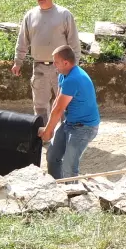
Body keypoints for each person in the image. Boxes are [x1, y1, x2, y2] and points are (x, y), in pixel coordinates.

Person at [11, 0, 80, 126]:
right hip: (39, 67)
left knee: (65, 104)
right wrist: (18, 61)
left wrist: (75, 65)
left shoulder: (64, 14)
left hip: (62, 68)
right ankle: (41, 135)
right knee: (39, 105)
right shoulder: (30, 15)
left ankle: (67, 134)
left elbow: (73, 41)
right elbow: (22, 40)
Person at [39, 45, 100, 180]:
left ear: (66, 63)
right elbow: (57, 103)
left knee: (69, 166)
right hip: (70, 123)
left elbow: (59, 110)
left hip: (85, 128)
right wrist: (48, 129)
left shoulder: (73, 79)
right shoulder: (63, 75)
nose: (54, 65)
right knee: (52, 156)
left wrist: (48, 131)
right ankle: (56, 186)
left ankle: (71, 191)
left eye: (56, 62)